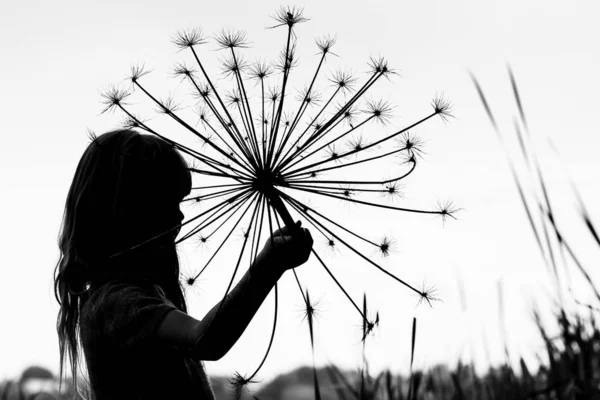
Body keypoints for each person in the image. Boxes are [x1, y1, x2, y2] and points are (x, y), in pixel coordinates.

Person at [53, 129, 313, 400]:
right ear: (127, 210)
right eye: (167, 202)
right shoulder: (116, 302)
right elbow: (207, 340)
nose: (180, 214)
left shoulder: (133, 294)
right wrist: (268, 266)